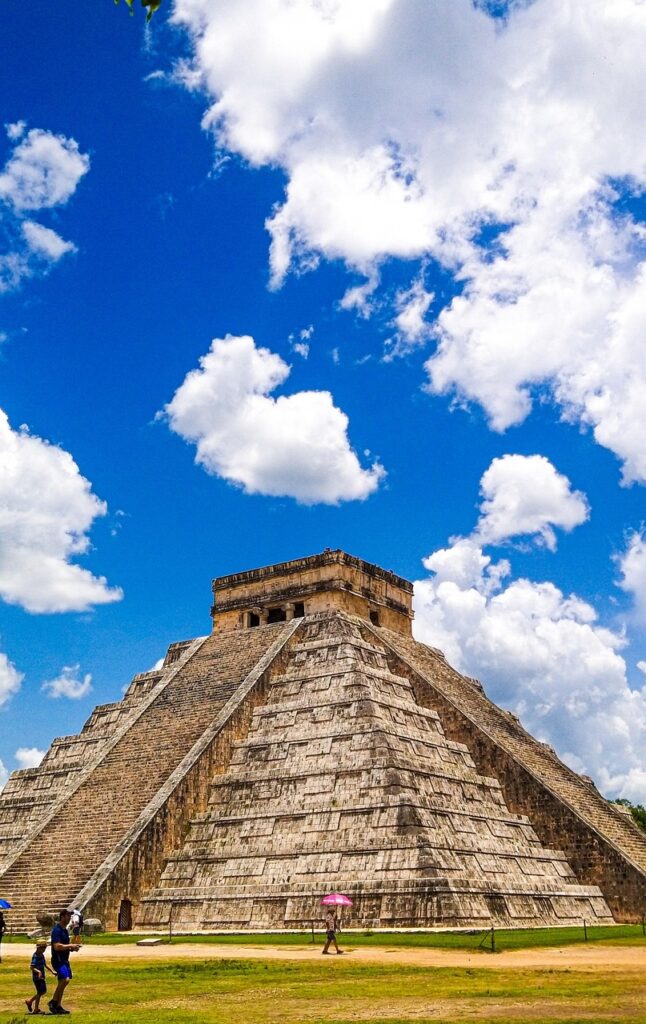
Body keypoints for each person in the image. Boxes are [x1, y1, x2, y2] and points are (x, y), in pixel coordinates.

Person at [49, 910, 80, 1015]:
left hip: (64, 959)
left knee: (63, 982)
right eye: (67, 916)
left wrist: (72, 948)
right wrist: (71, 945)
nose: (69, 918)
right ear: (62, 917)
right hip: (58, 960)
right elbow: (56, 946)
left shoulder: (65, 931)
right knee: (65, 980)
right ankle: (53, 1001)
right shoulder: (56, 930)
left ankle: (58, 1005)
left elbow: (65, 946)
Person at [26, 939, 56, 1015]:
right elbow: (32, 967)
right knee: (40, 992)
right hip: (37, 977)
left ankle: (30, 1001)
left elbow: (45, 965)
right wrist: (38, 972)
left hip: (41, 976)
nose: (44, 950)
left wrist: (52, 971)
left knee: (43, 991)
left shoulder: (41, 955)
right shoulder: (35, 956)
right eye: (44, 948)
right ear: (39, 948)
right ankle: (36, 1009)